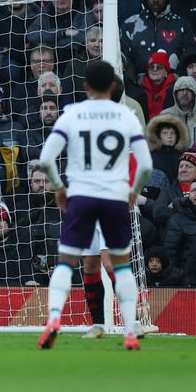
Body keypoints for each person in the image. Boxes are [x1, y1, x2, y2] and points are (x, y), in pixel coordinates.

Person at [37, 61, 152, 351]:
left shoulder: (72, 114)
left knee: (68, 261)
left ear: (85, 86)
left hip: (82, 197)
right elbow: (146, 165)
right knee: (105, 264)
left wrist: (59, 189)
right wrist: (134, 192)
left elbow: (46, 159)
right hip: (114, 199)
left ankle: (54, 319)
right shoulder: (126, 116)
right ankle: (113, 326)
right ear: (113, 86)